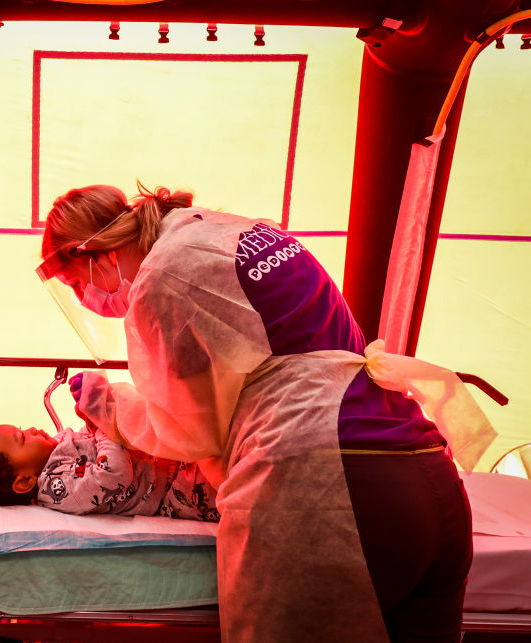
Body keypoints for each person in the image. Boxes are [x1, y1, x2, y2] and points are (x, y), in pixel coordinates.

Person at [35, 182, 484, 642]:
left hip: (330, 488)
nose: (84, 300)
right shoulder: (231, 233)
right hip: (426, 473)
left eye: (74, 283)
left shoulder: (164, 276)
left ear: (96, 253)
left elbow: (189, 432)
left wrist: (108, 403)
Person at [0, 423, 220, 521]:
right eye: (23, 438)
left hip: (173, 454)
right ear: (24, 481)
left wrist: (90, 419)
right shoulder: (57, 488)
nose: (33, 429)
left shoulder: (54, 446)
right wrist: (106, 424)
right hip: (182, 488)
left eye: (23, 427)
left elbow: (91, 443)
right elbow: (113, 474)